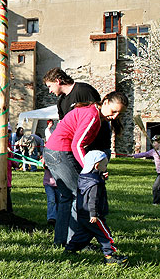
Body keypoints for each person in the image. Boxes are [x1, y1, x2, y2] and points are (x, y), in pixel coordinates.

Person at [43, 90, 128, 247]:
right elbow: (77, 145)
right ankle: (75, 242)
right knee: (80, 195)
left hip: (53, 152)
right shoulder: (92, 116)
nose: (115, 116)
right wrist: (91, 170)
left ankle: (62, 241)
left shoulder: (93, 113)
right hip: (60, 152)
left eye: (119, 114)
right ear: (106, 102)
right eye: (113, 111)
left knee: (67, 197)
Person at [64, 150, 128, 265]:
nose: (106, 167)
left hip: (83, 213)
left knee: (84, 234)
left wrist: (101, 178)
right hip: (94, 215)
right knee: (104, 234)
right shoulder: (95, 183)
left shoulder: (84, 177)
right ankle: (109, 256)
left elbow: (87, 189)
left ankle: (70, 249)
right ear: (97, 165)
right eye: (105, 165)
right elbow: (93, 200)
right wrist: (94, 214)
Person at [44, 68, 112, 158]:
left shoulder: (84, 90)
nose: (50, 91)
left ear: (57, 81)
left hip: (96, 146)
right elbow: (62, 126)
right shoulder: (61, 102)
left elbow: (99, 116)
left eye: (50, 86)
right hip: (76, 149)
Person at [117, 134, 160, 205]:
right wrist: (134, 155)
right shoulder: (153, 151)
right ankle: (157, 202)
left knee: (156, 187)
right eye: (153, 142)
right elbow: (144, 154)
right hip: (159, 173)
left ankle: (156, 202)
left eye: (155, 142)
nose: (153, 144)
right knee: (156, 187)